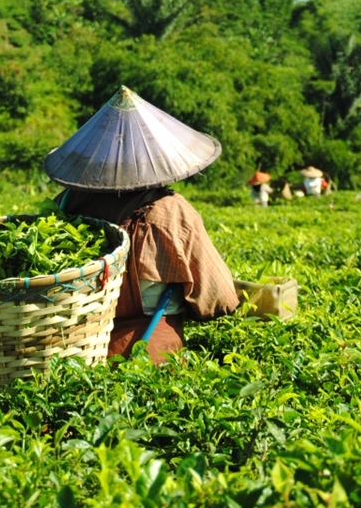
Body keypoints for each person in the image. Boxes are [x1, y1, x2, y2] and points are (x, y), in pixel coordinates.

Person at [43, 86, 239, 364]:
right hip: (150, 352)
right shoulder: (171, 212)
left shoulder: (65, 204)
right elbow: (218, 299)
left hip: (75, 350)